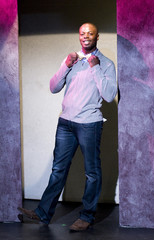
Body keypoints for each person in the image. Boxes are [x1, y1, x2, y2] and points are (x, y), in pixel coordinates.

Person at [18, 22, 117, 231]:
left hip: (90, 124)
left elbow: (109, 96)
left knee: (92, 173)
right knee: (58, 170)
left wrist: (96, 67)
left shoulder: (106, 64)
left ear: (97, 37)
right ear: (79, 36)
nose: (86, 36)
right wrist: (66, 64)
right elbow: (53, 87)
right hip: (66, 124)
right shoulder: (72, 61)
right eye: (82, 33)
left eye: (90, 33)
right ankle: (43, 213)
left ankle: (87, 216)